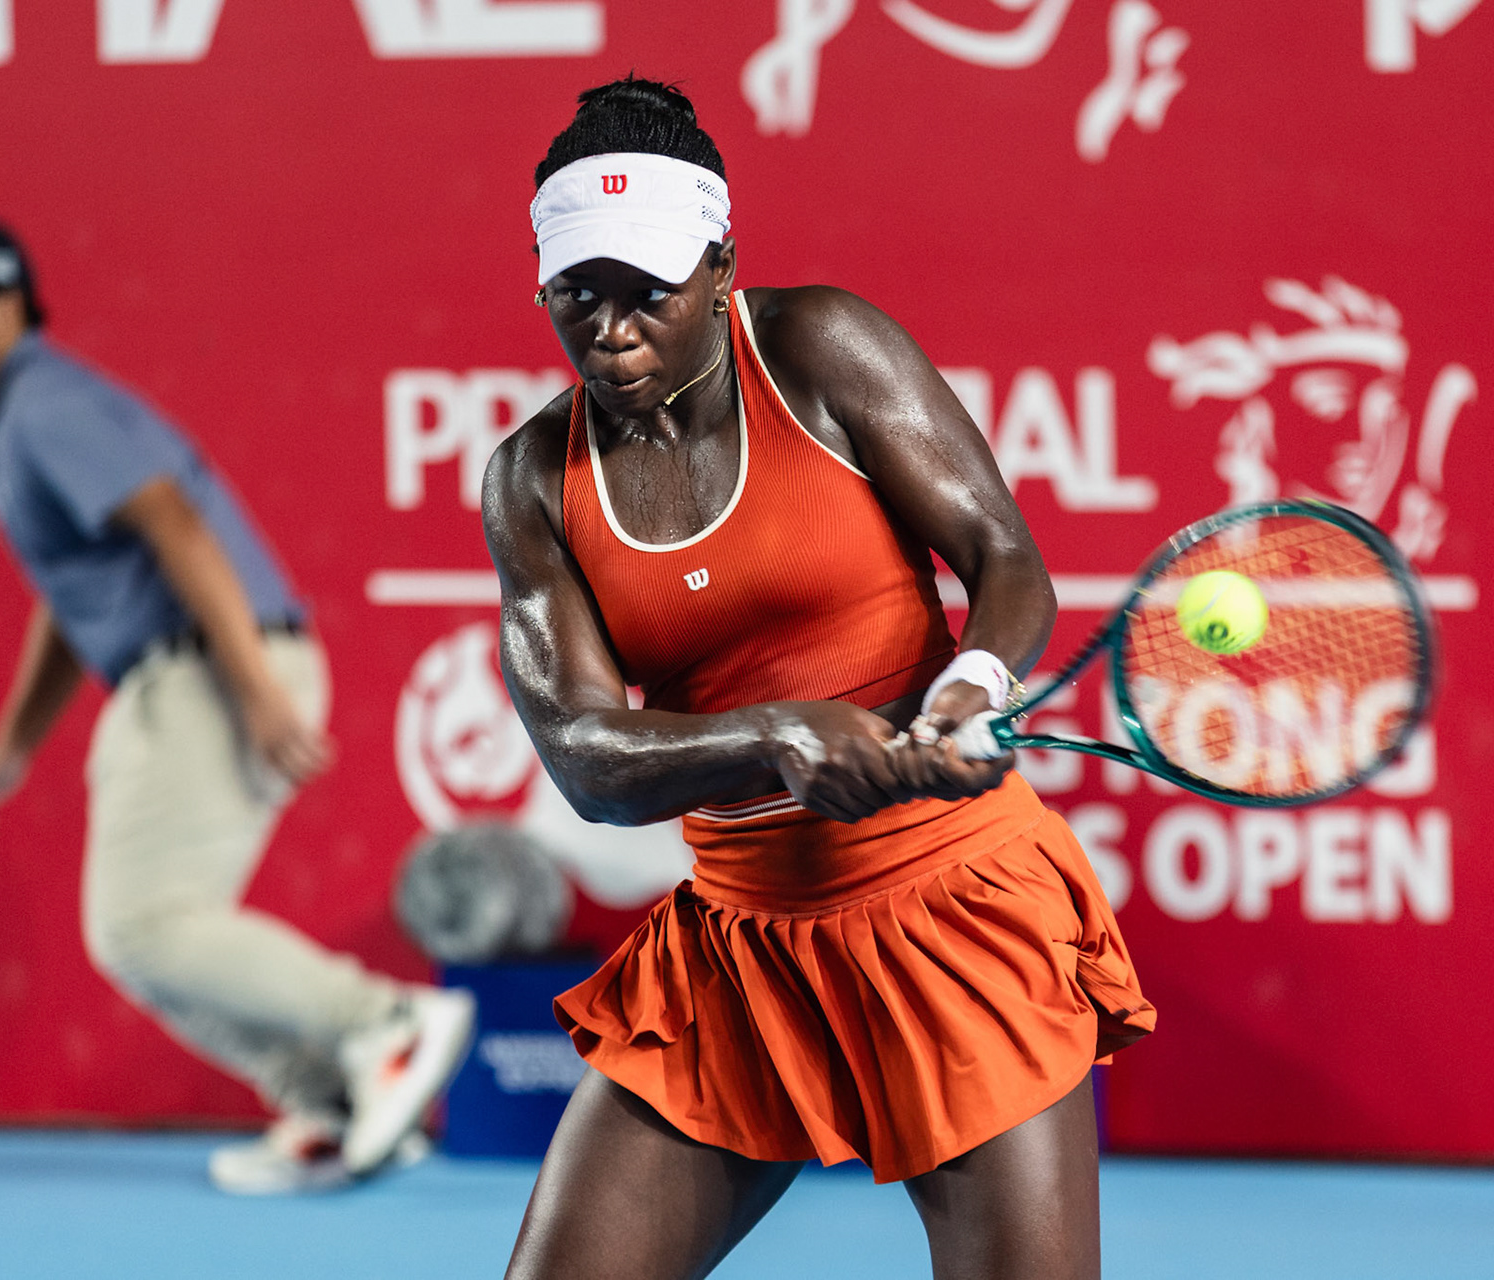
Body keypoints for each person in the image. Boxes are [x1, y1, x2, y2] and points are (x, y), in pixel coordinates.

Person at [484, 79, 1157, 1279]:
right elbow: (586, 758)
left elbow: (1003, 554)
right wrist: (777, 737)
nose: (612, 329)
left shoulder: (819, 347)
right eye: (578, 293)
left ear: (722, 265)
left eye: (650, 291)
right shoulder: (533, 478)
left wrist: (971, 688)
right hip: (739, 953)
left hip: (959, 915)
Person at [0, 217, 475, 1195]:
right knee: (141, 933)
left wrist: (256, 689)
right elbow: (77, 593)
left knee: (141, 923)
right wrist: (15, 741)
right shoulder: (11, 421)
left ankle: (383, 1025)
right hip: (181, 671)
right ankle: (331, 1095)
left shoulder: (43, 406)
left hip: (209, 670)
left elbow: (173, 523)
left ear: (2, 301)